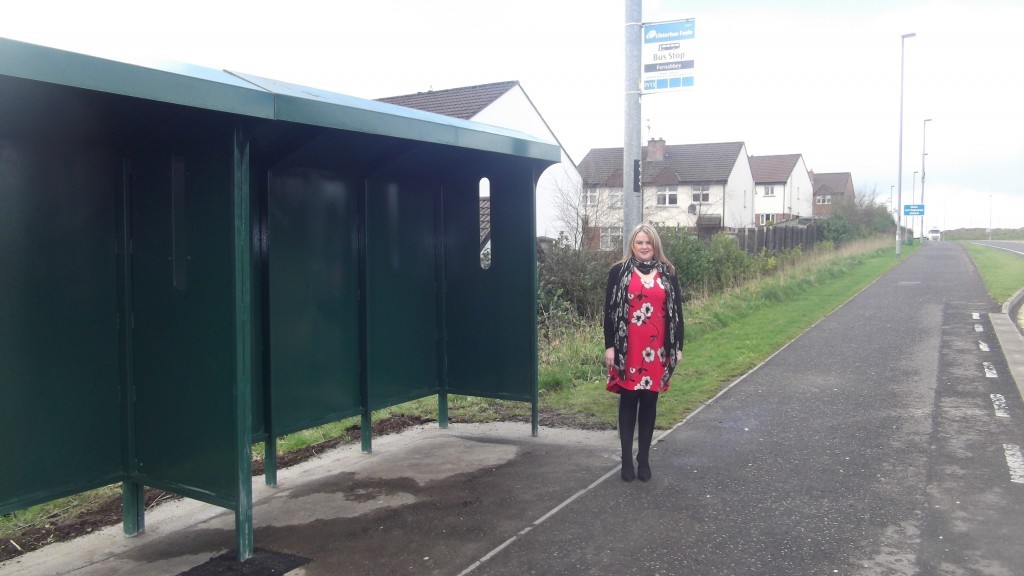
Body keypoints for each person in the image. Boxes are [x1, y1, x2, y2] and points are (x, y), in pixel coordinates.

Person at [604, 223, 683, 482]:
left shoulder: (667, 273)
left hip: (657, 349)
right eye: (640, 242)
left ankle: (644, 458)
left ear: (655, 245)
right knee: (628, 401)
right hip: (629, 349)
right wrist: (610, 346)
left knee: (649, 401)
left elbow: (677, 314)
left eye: (648, 242)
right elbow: (608, 313)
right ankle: (627, 459)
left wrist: (677, 347)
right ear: (632, 245)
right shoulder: (619, 272)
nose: (644, 246)